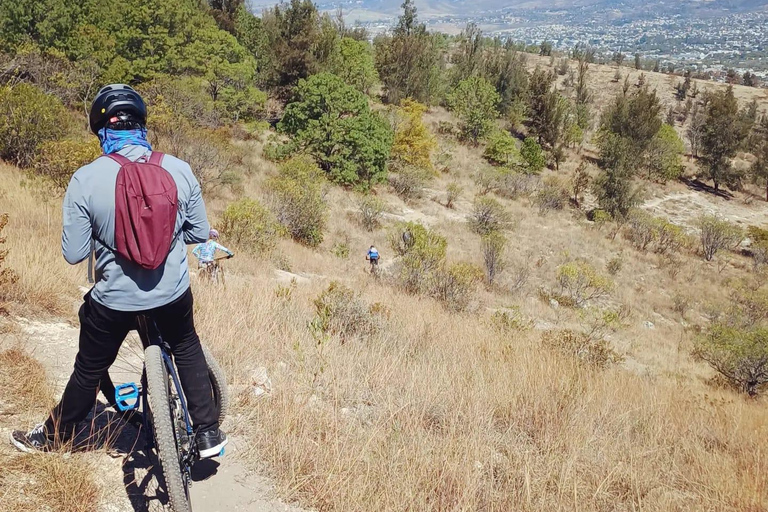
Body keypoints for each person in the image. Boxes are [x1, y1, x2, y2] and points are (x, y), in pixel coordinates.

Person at [10, 84, 227, 459]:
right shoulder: (178, 169)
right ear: (142, 125)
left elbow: (74, 254)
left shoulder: (86, 179)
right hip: (171, 293)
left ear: (100, 131)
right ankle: (208, 433)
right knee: (187, 345)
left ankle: (53, 436)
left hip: (114, 301)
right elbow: (195, 232)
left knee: (89, 367)